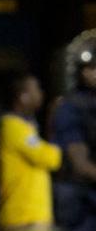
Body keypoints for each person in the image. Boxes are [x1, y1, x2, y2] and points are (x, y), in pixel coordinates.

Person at [0, 73, 61, 231]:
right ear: (23, 97)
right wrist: (53, 120)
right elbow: (49, 159)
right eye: (36, 90)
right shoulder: (13, 127)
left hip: (31, 216)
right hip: (24, 218)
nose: (41, 94)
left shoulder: (25, 125)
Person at [52, 32, 96, 231]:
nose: (92, 73)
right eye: (89, 68)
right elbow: (80, 164)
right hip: (81, 199)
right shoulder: (71, 106)